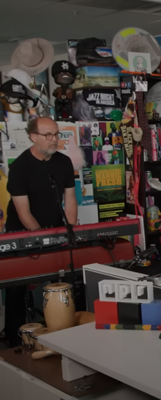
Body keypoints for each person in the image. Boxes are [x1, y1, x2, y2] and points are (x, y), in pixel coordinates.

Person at [3, 116, 77, 347]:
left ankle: (60, 333)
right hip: (21, 234)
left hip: (55, 231)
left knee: (60, 283)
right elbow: (23, 213)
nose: (54, 139)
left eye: (56, 134)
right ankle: (14, 340)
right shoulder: (20, 167)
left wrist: (72, 233)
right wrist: (41, 239)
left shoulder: (63, 162)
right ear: (33, 137)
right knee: (16, 289)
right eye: (48, 135)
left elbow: (70, 200)